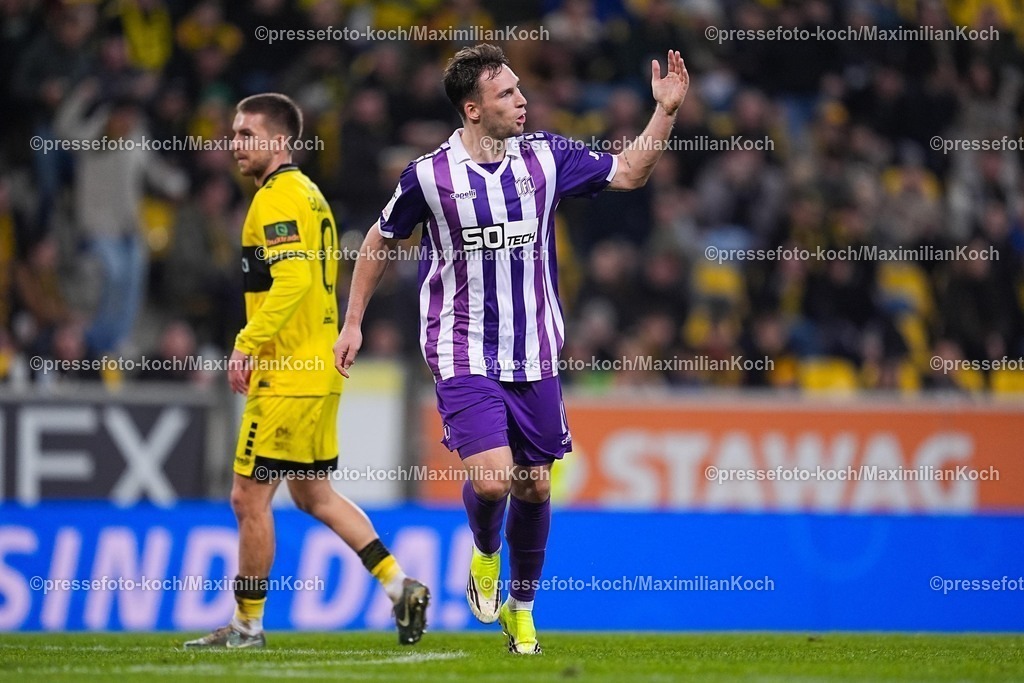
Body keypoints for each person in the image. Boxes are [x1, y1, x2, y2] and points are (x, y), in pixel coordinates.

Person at [334, 44, 689, 654]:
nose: (522, 100)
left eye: (521, 90)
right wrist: (354, 321)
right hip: (462, 348)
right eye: (506, 94)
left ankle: (522, 609)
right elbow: (379, 238)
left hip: (535, 351)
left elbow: (630, 172)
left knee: (536, 487)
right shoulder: (429, 175)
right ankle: (484, 552)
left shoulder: (549, 157)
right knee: (495, 482)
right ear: (472, 109)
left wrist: (666, 113)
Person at [185, 93, 429, 649]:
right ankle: (399, 587)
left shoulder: (275, 199)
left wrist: (246, 343)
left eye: (246, 134)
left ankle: (247, 626)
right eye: (234, 134)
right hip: (317, 368)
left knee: (248, 498)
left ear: (278, 140)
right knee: (313, 495)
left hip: (288, 374)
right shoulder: (310, 196)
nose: (235, 144)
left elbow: (293, 281)